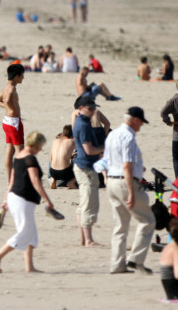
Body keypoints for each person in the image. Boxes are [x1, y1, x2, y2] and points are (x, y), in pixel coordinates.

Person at [0, 131, 58, 273]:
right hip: (22, 199)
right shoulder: (29, 159)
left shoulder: (19, 156)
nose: (41, 150)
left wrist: (5, 200)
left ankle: (30, 267)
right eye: (40, 146)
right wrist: (47, 200)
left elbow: (11, 180)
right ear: (35, 145)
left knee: (31, 234)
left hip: (15, 198)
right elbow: (35, 181)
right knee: (25, 232)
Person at [105, 106, 155, 274]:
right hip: (125, 183)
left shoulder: (112, 134)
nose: (141, 126)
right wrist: (132, 193)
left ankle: (117, 265)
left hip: (112, 181)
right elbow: (126, 165)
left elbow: (107, 161)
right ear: (135, 120)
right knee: (147, 220)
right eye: (140, 122)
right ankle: (135, 259)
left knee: (120, 226)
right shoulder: (128, 137)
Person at [72, 96, 105, 247]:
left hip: (82, 166)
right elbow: (89, 150)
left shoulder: (82, 122)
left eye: (94, 108)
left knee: (84, 204)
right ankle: (88, 240)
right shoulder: (83, 125)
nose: (93, 111)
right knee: (89, 204)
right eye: (90, 108)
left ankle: (84, 239)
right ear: (81, 108)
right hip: (86, 167)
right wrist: (105, 149)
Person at [0, 63, 26, 184]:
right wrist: (11, 109)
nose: (23, 77)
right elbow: (7, 100)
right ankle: (19, 179)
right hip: (13, 122)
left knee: (9, 151)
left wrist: (7, 108)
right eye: (22, 75)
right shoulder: (12, 88)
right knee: (20, 152)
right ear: (16, 76)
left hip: (6, 122)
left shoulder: (5, 87)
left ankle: (10, 180)